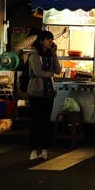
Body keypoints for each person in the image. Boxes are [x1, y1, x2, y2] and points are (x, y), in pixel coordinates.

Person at [26, 30, 62, 162]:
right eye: (48, 39)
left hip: (49, 93)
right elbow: (38, 72)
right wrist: (50, 74)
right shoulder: (34, 55)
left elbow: (58, 70)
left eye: (51, 40)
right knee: (36, 121)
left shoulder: (51, 55)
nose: (50, 42)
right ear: (41, 41)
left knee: (46, 122)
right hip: (36, 92)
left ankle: (45, 149)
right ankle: (34, 150)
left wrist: (55, 54)